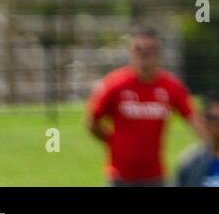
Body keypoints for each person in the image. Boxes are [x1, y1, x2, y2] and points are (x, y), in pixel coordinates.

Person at [86, 27, 205, 186]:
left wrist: (213, 145)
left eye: (150, 49)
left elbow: (194, 120)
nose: (145, 53)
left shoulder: (171, 87)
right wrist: (113, 141)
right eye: (139, 49)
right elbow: (93, 121)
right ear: (131, 51)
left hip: (154, 175)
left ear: (159, 53)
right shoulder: (114, 84)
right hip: (120, 176)